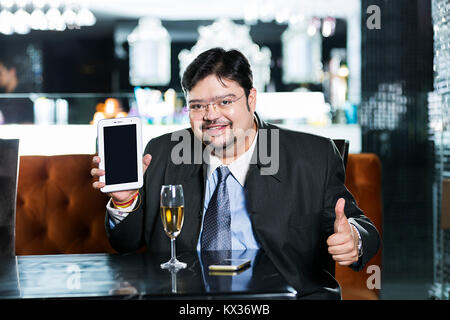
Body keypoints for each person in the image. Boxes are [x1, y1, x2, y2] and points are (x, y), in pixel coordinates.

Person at [91, 47, 381, 299]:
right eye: (197, 106)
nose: (211, 115)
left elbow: (359, 224)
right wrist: (124, 201)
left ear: (251, 99)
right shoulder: (163, 152)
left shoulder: (312, 155)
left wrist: (353, 240)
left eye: (225, 101)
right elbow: (125, 244)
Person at [0, 57, 34, 124]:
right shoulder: (2, 95)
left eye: (0, 73)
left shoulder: (24, 97)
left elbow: (28, 124)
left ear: (12, 71)